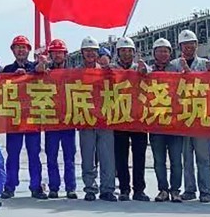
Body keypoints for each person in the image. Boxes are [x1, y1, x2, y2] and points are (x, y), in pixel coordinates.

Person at [169, 29, 210, 202]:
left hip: (201, 118)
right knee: (186, 158)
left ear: (196, 45)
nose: (189, 47)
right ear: (180, 46)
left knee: (203, 157)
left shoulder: (205, 64)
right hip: (182, 119)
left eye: (192, 44)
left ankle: (205, 190)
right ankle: (189, 189)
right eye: (185, 45)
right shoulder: (174, 66)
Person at [0, 35, 45, 199]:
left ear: (28, 50)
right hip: (14, 119)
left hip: (32, 118)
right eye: (17, 47)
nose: (20, 50)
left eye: (23, 47)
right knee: (12, 154)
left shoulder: (36, 68)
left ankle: (36, 187)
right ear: (12, 50)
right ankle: (9, 186)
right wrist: (13, 77)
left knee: (34, 154)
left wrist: (41, 67)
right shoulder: (6, 70)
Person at [78, 36, 117, 202]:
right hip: (85, 120)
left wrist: (109, 70)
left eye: (93, 51)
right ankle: (90, 188)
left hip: (105, 120)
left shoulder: (105, 70)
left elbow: (119, 86)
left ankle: (107, 189)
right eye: (87, 51)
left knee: (107, 156)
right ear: (82, 53)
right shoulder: (75, 73)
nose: (90, 54)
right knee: (88, 157)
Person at [112, 36, 149, 202]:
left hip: (138, 120)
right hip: (119, 119)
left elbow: (154, 80)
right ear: (118, 53)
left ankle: (139, 190)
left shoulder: (141, 69)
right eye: (123, 51)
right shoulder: (111, 69)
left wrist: (145, 72)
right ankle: (124, 189)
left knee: (139, 156)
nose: (127, 54)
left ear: (134, 53)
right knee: (121, 156)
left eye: (129, 51)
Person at [147, 38, 183, 203]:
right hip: (156, 124)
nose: (163, 54)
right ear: (154, 53)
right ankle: (163, 189)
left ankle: (175, 190)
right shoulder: (148, 71)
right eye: (159, 50)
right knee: (159, 161)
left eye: (166, 51)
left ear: (170, 53)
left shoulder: (177, 70)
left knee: (176, 160)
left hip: (174, 124)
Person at [42, 38, 78, 199]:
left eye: (60, 53)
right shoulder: (44, 73)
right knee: (51, 157)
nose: (57, 56)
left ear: (65, 54)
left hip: (68, 121)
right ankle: (54, 187)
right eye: (54, 53)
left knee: (69, 157)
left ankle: (71, 188)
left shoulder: (73, 73)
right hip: (51, 121)